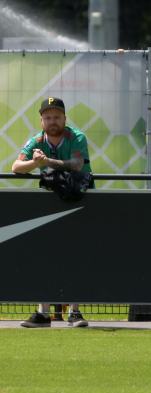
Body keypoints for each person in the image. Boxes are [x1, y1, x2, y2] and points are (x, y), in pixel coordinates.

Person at [12, 97, 91, 328]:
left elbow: (77, 165)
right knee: (44, 256)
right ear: (41, 120)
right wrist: (36, 164)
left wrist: (47, 161)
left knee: (75, 256)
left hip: (78, 201)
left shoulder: (76, 136)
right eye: (47, 117)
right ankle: (43, 313)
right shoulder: (37, 139)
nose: (52, 120)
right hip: (49, 204)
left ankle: (75, 313)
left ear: (65, 118)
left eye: (56, 116)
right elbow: (16, 167)